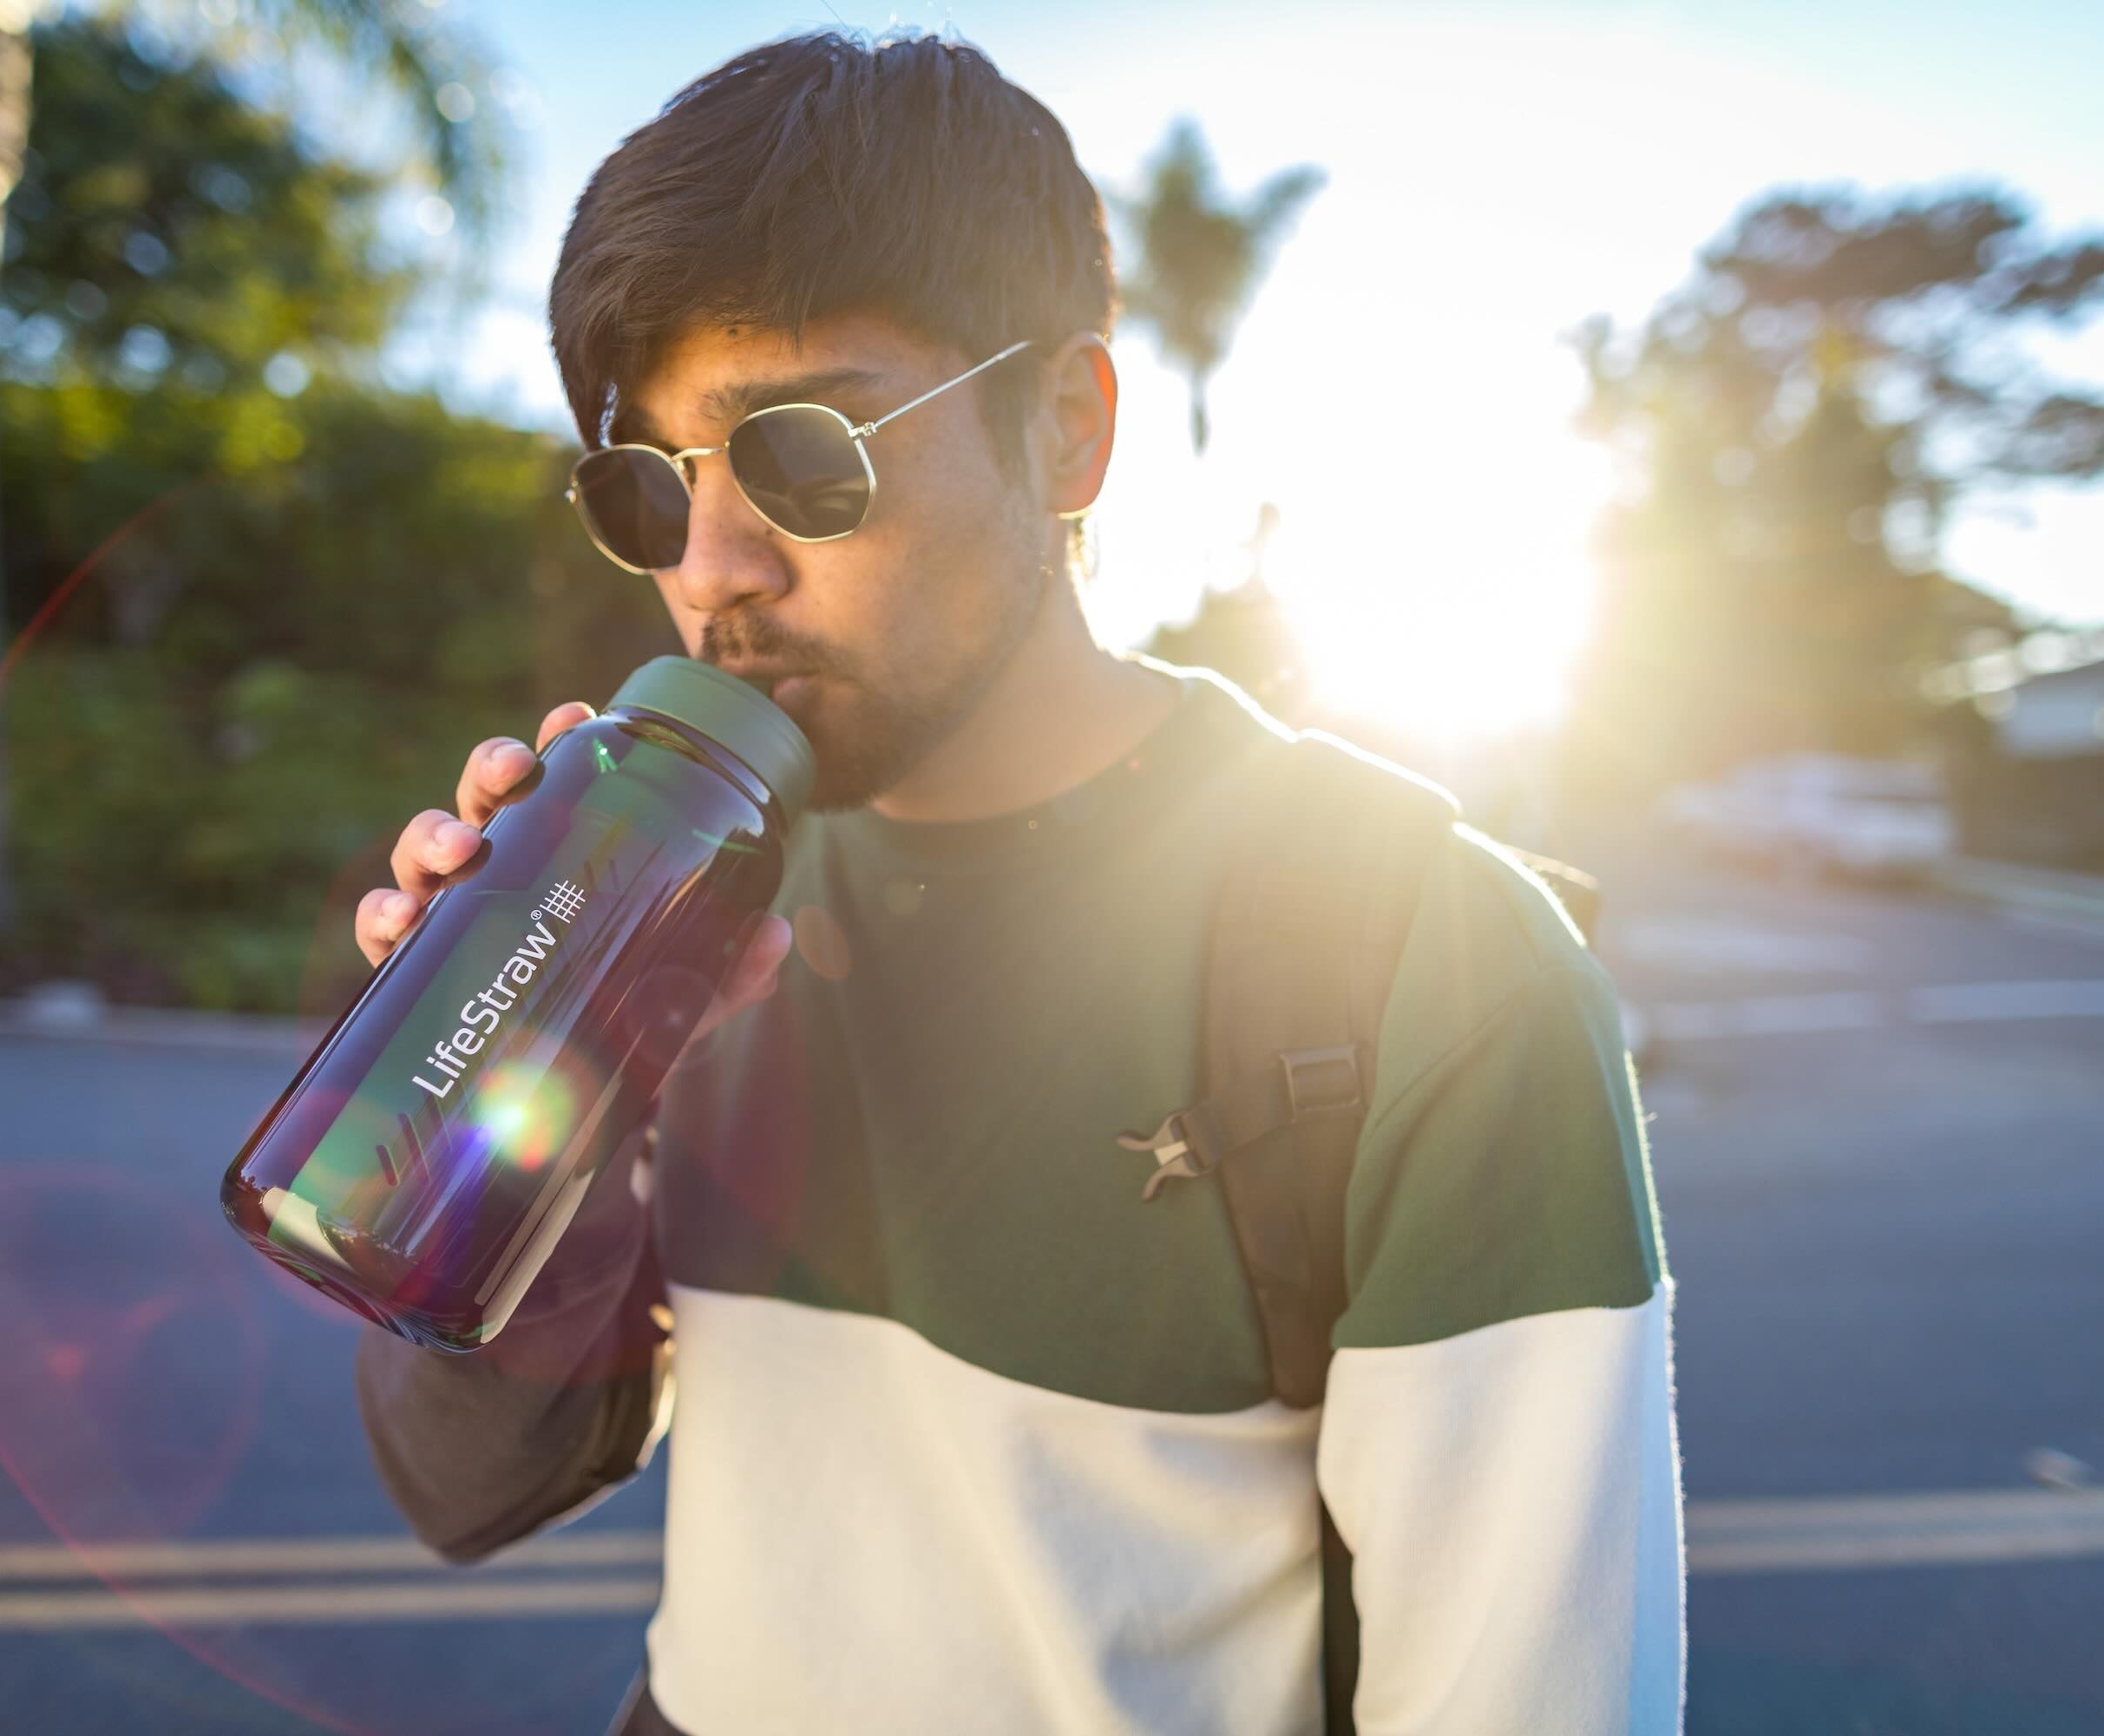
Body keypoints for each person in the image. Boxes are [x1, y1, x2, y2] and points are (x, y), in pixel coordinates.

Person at [351, 30, 1681, 1736]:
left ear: (1064, 428)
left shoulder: (1428, 957)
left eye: (802, 456)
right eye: (649, 487)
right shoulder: (679, 894)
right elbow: (465, 1488)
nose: (714, 569)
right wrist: (515, 1117)